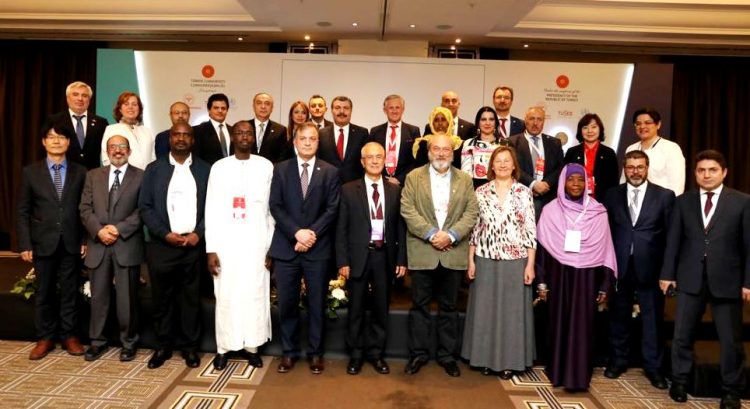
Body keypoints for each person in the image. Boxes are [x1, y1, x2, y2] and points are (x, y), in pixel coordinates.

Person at [660, 150, 750, 409]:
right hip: (690, 278)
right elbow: (673, 241)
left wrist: (748, 281)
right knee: (682, 336)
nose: (706, 175)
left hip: (728, 280)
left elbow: (749, 246)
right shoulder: (683, 202)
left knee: (730, 341)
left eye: (712, 170)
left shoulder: (742, 202)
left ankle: (731, 391)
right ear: (695, 173)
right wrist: (667, 274)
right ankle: (679, 382)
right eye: (701, 170)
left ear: (724, 172)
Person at [401, 134, 479, 377]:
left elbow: (472, 212)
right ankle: (418, 354)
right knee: (419, 306)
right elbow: (407, 209)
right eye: (436, 148)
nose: (441, 153)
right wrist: (433, 234)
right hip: (423, 250)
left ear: (452, 153)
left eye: (446, 149)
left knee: (449, 307)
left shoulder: (465, 179)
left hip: (453, 251)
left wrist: (451, 235)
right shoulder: (413, 177)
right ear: (429, 152)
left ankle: (447, 356)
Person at [535, 163, 617, 391]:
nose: (576, 184)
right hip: (558, 276)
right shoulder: (550, 210)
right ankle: (558, 371)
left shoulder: (598, 212)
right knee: (558, 323)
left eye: (581, 180)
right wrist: (541, 281)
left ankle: (578, 376)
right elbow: (542, 250)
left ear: (587, 183)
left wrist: (605, 284)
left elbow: (606, 250)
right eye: (571, 179)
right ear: (563, 182)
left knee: (583, 326)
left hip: (587, 278)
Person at [269, 122, 340, 375]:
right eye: (303, 138)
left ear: (318, 143)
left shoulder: (330, 171)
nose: (308, 142)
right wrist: (296, 233)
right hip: (286, 248)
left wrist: (310, 234)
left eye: (312, 138)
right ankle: (289, 352)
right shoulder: (281, 169)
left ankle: (315, 353)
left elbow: (332, 209)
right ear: (295, 142)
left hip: (317, 249)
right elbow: (275, 205)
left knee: (316, 304)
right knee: (287, 303)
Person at [138, 122, 210, 369]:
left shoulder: (205, 169)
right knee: (162, 299)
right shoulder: (154, 169)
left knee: (190, 299)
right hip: (162, 245)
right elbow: (145, 206)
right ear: (169, 139)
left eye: (186, 135)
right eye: (176, 135)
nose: (181, 138)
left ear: (192, 140)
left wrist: (199, 233)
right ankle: (163, 346)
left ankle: (190, 348)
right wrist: (164, 234)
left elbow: (212, 206)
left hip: (192, 245)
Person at [462, 145, 536, 379]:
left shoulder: (523, 192)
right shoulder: (481, 192)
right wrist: (471, 260)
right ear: (491, 166)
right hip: (485, 258)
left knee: (511, 314)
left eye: (507, 161)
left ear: (514, 166)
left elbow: (530, 230)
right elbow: (475, 229)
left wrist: (530, 264)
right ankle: (483, 358)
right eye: (498, 161)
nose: (503, 164)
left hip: (516, 260)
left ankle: (509, 362)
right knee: (485, 311)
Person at [602, 150, 674, 389]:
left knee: (652, 320)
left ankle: (654, 369)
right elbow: (605, 231)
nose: (635, 171)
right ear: (624, 168)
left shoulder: (664, 196)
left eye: (640, 167)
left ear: (647, 168)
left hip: (651, 268)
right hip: (620, 266)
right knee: (618, 316)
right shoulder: (612, 195)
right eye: (631, 167)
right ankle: (617, 361)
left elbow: (671, 237)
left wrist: (668, 272)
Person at [205, 121, 274, 370]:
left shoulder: (265, 166)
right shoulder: (219, 167)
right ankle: (223, 347)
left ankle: (252, 347)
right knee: (226, 294)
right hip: (226, 243)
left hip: (257, 242)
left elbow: (271, 210)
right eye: (239, 133)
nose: (244, 136)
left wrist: (271, 247)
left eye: (248, 133)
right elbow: (211, 208)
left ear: (254, 138)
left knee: (255, 294)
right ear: (232, 137)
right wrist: (211, 248)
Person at [336, 142, 407, 376]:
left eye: (379, 157)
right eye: (370, 157)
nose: (375, 161)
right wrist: (343, 261)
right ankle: (355, 355)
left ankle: (376, 354)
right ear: (362, 161)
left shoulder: (395, 190)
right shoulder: (348, 190)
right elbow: (341, 228)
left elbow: (400, 227)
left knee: (380, 308)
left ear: (385, 160)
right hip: (358, 256)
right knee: (355, 309)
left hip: (384, 256)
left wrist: (401, 259)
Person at [17, 124, 87, 360]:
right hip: (42, 242)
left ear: (68, 142)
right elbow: (23, 210)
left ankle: (69, 336)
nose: (56, 141)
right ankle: (45, 337)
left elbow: (85, 208)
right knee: (44, 292)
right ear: (43, 142)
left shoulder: (81, 172)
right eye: (51, 137)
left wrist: (85, 238)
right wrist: (25, 244)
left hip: (72, 241)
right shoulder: (30, 172)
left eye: (61, 137)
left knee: (70, 292)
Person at [79, 135, 144, 362]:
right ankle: (97, 341)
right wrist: (99, 231)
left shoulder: (141, 176)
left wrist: (118, 229)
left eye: (122, 146)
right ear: (106, 152)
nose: (118, 150)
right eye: (113, 147)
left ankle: (129, 342)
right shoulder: (93, 175)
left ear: (129, 151)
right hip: (98, 244)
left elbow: (142, 210)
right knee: (99, 298)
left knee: (127, 300)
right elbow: (84, 208)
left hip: (126, 244)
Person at [509, 106, 564, 219]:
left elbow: (560, 167)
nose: (535, 123)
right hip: (521, 196)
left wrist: (546, 184)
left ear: (544, 121)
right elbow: (512, 167)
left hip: (548, 197)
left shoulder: (555, 143)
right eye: (531, 119)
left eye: (539, 119)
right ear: (525, 120)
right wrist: (533, 184)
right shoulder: (512, 142)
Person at [41, 81, 109, 169]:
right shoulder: (54, 120)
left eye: (84, 95)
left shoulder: (101, 123)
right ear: (68, 98)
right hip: (63, 172)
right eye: (75, 94)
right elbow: (44, 149)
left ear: (89, 100)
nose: (80, 98)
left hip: (92, 174)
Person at [623, 107, 685, 195]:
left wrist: (670, 202)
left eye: (647, 123)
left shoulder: (671, 148)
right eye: (638, 123)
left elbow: (677, 185)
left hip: (661, 201)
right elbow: (624, 180)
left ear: (658, 124)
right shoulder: (631, 148)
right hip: (634, 199)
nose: (642, 126)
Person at [563, 113, 619, 199]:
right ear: (580, 131)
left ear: (600, 129)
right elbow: (565, 179)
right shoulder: (572, 152)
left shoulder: (609, 153)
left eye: (594, 127)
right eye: (585, 127)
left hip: (601, 200)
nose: (589, 131)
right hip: (575, 200)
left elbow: (614, 183)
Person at [369, 94, 421, 185]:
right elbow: (370, 158)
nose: (394, 111)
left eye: (397, 107)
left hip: (404, 184)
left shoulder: (413, 131)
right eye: (391, 108)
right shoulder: (375, 131)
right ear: (385, 110)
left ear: (403, 109)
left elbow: (416, 160)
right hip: (379, 182)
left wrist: (400, 179)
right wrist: (381, 178)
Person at [318, 96, 369, 184]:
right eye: (337, 108)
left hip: (355, 186)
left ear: (351, 111)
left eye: (346, 108)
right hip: (327, 185)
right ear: (332, 111)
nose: (342, 111)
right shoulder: (321, 134)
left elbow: (367, 161)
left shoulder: (362, 133)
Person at [101, 91, 155, 171]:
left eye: (134, 104)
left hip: (148, 175)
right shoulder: (111, 129)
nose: (130, 107)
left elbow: (153, 157)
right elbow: (106, 159)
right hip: (124, 176)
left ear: (139, 109)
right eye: (126, 104)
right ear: (120, 109)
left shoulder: (147, 131)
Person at [461, 106, 505, 189]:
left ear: (496, 122)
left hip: (500, 187)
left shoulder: (504, 144)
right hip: (474, 188)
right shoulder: (469, 143)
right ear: (478, 123)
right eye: (483, 119)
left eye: (491, 119)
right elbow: (465, 173)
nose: (487, 123)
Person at [192, 93, 232, 166]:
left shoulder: (233, 131)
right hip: (208, 171)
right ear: (209, 110)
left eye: (223, 108)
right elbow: (196, 157)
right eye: (216, 108)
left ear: (227, 110)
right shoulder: (197, 131)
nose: (220, 111)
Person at [249, 92, 290, 163]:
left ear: (272, 108)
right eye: (259, 103)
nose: (263, 107)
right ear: (253, 106)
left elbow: (282, 156)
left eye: (267, 104)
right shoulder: (244, 127)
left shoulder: (280, 130)